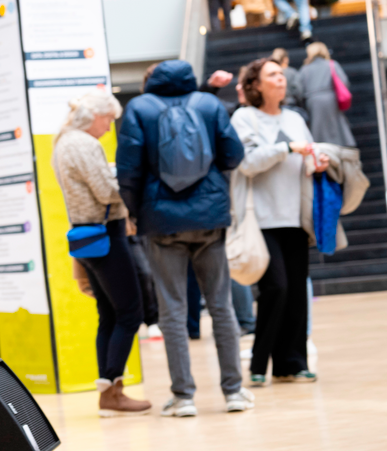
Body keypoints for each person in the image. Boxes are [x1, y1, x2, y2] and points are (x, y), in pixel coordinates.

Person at [116, 59, 251, 418]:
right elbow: (234, 154)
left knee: (172, 310)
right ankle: (234, 391)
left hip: (161, 221)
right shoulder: (209, 104)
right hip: (209, 217)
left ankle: (184, 396)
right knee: (220, 305)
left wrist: (136, 210)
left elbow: (128, 170)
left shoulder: (139, 108)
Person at [51, 91, 150, 416]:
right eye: (108, 119)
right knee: (130, 312)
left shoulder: (63, 141)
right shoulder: (83, 144)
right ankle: (113, 391)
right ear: (95, 116)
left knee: (108, 314)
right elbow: (106, 191)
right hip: (106, 233)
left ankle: (109, 389)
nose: (109, 128)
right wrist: (129, 186)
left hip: (86, 234)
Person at [232, 57, 326, 386]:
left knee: (297, 290)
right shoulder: (244, 118)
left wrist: (319, 160)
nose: (281, 79)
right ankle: (259, 363)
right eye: (273, 74)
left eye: (282, 74)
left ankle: (291, 364)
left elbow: (309, 154)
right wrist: (287, 147)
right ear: (255, 84)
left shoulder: (295, 118)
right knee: (277, 286)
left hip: (296, 216)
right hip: (261, 219)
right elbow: (246, 162)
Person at [295, 41, 355, 147]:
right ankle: (341, 148)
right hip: (331, 99)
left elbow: (299, 90)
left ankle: (320, 149)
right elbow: (344, 81)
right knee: (336, 127)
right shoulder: (332, 64)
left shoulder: (305, 69)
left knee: (317, 129)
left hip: (313, 102)